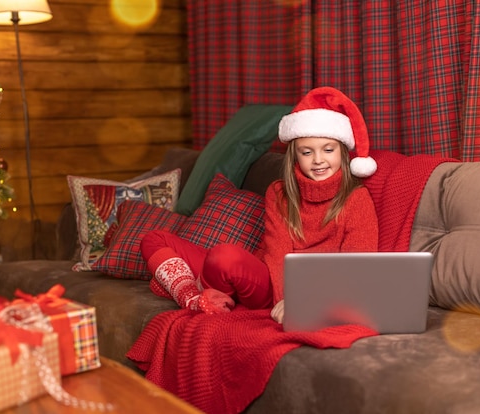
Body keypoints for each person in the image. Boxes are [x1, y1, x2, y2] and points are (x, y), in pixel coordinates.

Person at [140, 86, 379, 320]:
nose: (318, 160)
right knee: (154, 239)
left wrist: (297, 304)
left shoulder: (356, 198)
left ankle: (191, 283)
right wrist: (285, 299)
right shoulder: (280, 192)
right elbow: (277, 252)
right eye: (307, 152)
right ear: (295, 155)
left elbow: (356, 269)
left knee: (224, 256)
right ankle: (192, 296)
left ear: (343, 152)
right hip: (268, 276)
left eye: (328, 150)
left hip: (295, 290)